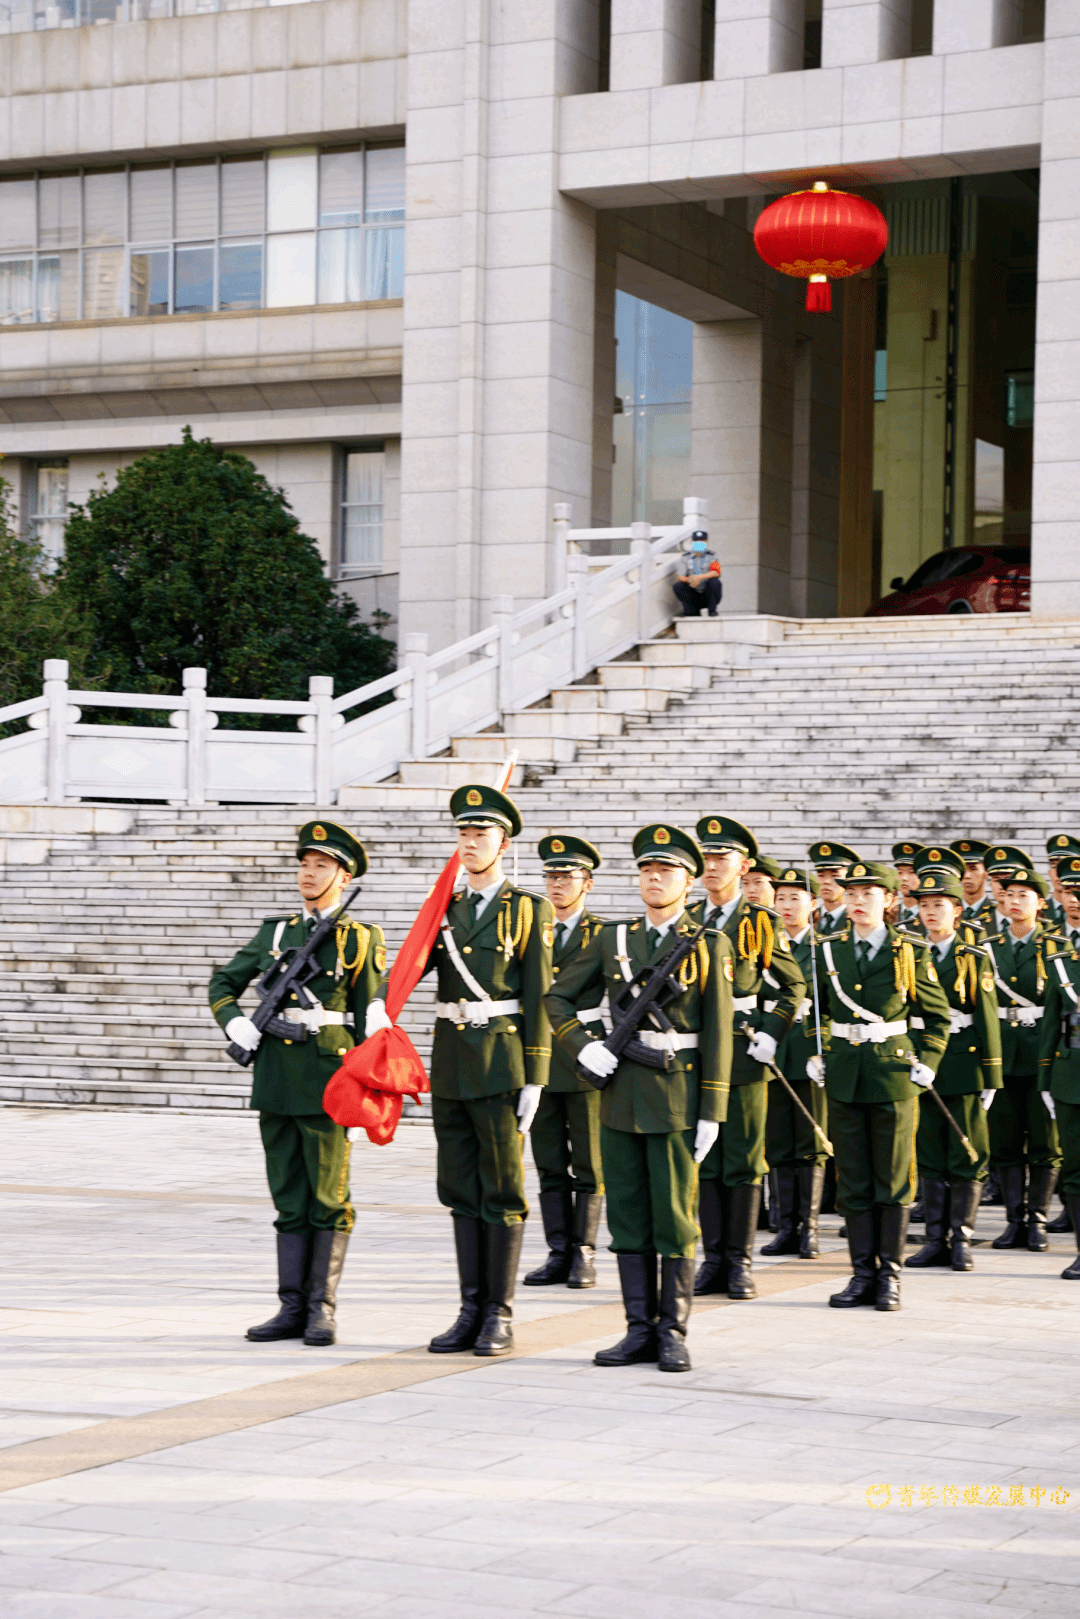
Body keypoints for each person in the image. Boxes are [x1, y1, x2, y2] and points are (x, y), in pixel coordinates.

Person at [546, 823, 734, 1373]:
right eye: (648, 869)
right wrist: (583, 1047)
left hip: (678, 1094)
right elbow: (557, 998)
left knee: (674, 1218)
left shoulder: (709, 942)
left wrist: (713, 1110)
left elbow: (720, 1030)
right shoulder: (614, 939)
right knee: (627, 1215)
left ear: (689, 879)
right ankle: (637, 1328)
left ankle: (672, 1331)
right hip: (621, 1092)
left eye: (667, 870)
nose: (655, 878)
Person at [379, 784, 554, 1358]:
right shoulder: (445, 909)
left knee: (501, 1189)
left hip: (501, 1062)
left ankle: (498, 1315)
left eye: (481, 833)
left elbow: (538, 995)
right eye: (463, 833)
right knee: (459, 1189)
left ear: (504, 842)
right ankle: (469, 1308)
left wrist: (535, 1074)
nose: (471, 842)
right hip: (452, 1064)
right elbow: (409, 968)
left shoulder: (527, 908)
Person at [208, 821, 384, 1347]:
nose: (309, 873)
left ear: (343, 874)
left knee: (328, 1196)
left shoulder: (359, 937)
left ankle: (321, 1308)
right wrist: (233, 1020)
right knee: (287, 1195)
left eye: (322, 865)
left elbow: (369, 1018)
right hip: (277, 1080)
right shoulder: (276, 932)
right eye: (305, 864)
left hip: (330, 1079)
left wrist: (366, 1093)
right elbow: (223, 982)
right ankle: (290, 1306)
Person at [810, 860, 951, 1311]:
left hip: (892, 1074)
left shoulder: (908, 950)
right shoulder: (828, 950)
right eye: (850, 895)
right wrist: (818, 1053)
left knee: (891, 1180)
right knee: (852, 1181)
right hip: (845, 1075)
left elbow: (938, 1018)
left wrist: (927, 1061)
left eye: (867, 895)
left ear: (890, 901)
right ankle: (860, 1274)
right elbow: (816, 1013)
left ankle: (889, 1274)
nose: (856, 903)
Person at [686, 815, 806, 1300]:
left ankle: (738, 1261)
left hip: (740, 1052)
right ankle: (712, 1258)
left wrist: (773, 1032)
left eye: (722, 858)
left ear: (745, 865)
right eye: (707, 858)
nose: (712, 867)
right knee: (704, 1161)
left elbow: (792, 984)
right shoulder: (687, 917)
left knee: (741, 1160)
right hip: (694, 1053)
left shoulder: (760, 921)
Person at [903, 862, 1002, 1272]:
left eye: (939, 904)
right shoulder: (905, 950)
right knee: (929, 1151)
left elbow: (988, 1016)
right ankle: (934, 1239)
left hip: (962, 1061)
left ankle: (960, 1238)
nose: (930, 912)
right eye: (924, 904)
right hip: (919, 1058)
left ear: (957, 909)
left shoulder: (973, 956)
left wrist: (991, 1075)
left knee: (966, 1151)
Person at [523, 834, 606, 1290]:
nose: (556, 885)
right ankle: (558, 1250)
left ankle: (584, 1252)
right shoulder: (530, 927)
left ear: (587, 883)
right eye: (550, 876)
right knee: (549, 1158)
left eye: (566, 877)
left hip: (585, 1052)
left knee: (590, 1161)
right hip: (540, 1056)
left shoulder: (603, 934)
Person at [982, 859, 1065, 1253]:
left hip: (1042, 1055)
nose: (1014, 902)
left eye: (1024, 896)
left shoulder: (1058, 947)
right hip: (1002, 1054)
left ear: (1041, 903)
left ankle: (1038, 1221)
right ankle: (1014, 1220)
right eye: (1009, 895)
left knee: (1046, 1143)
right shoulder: (987, 949)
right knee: (1006, 1142)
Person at [763, 866, 829, 1259]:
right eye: (781, 898)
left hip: (807, 1051)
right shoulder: (761, 943)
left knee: (811, 1142)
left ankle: (811, 1229)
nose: (786, 906)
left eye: (795, 898)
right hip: (772, 1052)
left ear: (814, 904)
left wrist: (825, 1052)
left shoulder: (824, 948)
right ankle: (786, 1227)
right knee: (778, 1143)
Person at [1038, 853, 1080, 1278]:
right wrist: (1047, 1078)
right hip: (1071, 1076)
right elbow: (1053, 1024)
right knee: (1076, 1167)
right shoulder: (1062, 961)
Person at [808, 841, 860, 933]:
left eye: (835, 875)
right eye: (821, 875)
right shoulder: (807, 918)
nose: (826, 881)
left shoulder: (858, 919)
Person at [672, 531, 722, 618]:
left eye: (702, 541)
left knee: (715, 582)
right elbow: (680, 576)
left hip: (708, 593)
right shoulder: (685, 557)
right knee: (678, 586)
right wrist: (691, 580)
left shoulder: (712, 556)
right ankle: (690, 612)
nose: (699, 543)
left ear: (707, 542)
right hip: (693, 592)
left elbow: (716, 572)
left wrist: (698, 577)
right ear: (692, 542)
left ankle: (712, 611)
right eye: (696, 541)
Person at [950, 838, 994, 929]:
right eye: (962, 869)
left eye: (973, 868)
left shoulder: (996, 914)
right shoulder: (949, 913)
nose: (967, 875)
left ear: (987, 872)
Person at [892, 842, 924, 931]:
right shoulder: (889, 914)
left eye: (912, 872)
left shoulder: (931, 916)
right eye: (900, 872)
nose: (904, 878)